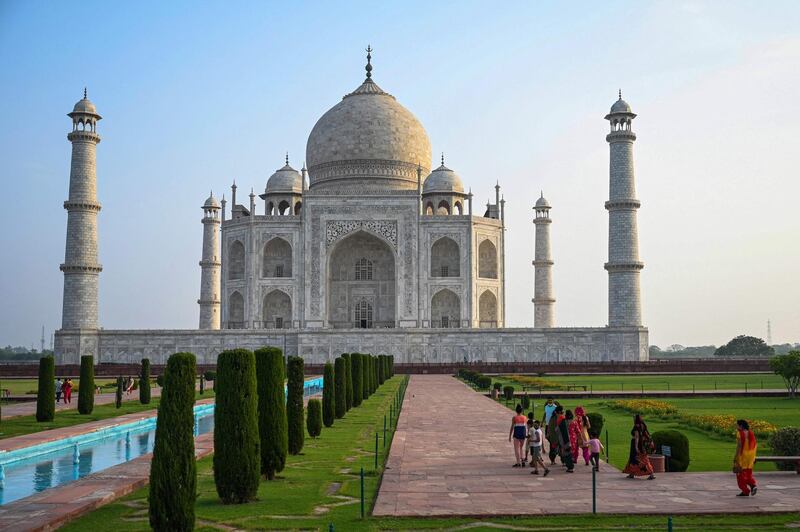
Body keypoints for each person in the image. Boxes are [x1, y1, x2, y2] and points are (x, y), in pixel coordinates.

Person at [622, 414, 655, 479]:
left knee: (637, 459)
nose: (633, 419)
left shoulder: (636, 426)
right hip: (643, 445)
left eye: (634, 418)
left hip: (637, 444)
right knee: (639, 459)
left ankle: (650, 474)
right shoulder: (643, 425)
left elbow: (637, 437)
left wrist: (636, 446)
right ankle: (632, 473)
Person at [734, 419, 758, 497]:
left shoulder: (739, 433)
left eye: (737, 425)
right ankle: (753, 485)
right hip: (750, 456)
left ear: (741, 426)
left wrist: (736, 457)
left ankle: (745, 491)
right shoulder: (750, 433)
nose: (736, 426)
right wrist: (753, 457)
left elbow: (739, 446)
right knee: (748, 473)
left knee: (740, 474)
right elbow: (754, 446)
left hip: (742, 456)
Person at [556, 407, 575, 473]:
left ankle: (570, 467)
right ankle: (570, 467)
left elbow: (557, 430)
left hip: (564, 440)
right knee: (568, 453)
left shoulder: (563, 421)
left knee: (566, 453)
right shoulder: (566, 422)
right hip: (566, 440)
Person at [545, 401, 561, 465]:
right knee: (557, 448)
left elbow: (549, 427)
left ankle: (552, 460)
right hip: (557, 437)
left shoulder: (552, 418)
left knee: (552, 448)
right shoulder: (558, 418)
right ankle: (558, 460)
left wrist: (548, 434)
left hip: (552, 437)